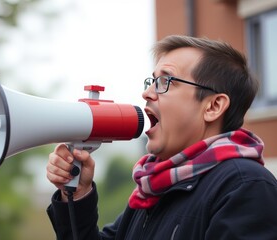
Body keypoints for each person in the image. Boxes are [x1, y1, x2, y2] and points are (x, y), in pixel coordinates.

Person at [45, 35, 277, 239]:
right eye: (152, 81)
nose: (146, 93)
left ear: (213, 106)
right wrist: (77, 194)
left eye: (165, 81)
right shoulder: (153, 189)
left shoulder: (245, 187)